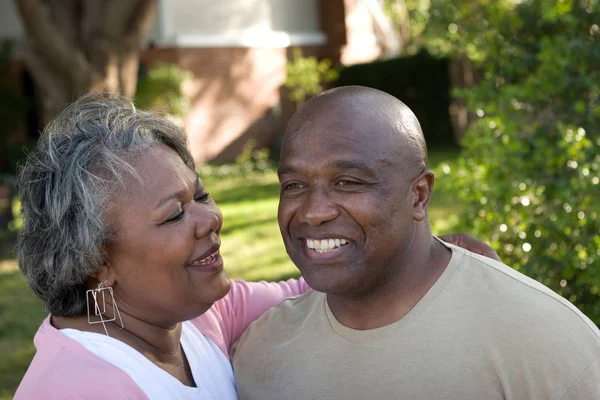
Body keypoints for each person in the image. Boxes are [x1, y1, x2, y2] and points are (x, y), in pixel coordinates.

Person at [14, 92, 493, 399]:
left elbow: (303, 293)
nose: (211, 218)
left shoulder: (195, 319)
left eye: (200, 194)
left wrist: (429, 252)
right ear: (97, 261)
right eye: (175, 214)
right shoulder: (77, 387)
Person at [231, 86, 600, 400]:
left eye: (348, 182)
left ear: (419, 196)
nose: (313, 212)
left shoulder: (543, 341)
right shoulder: (261, 355)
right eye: (294, 186)